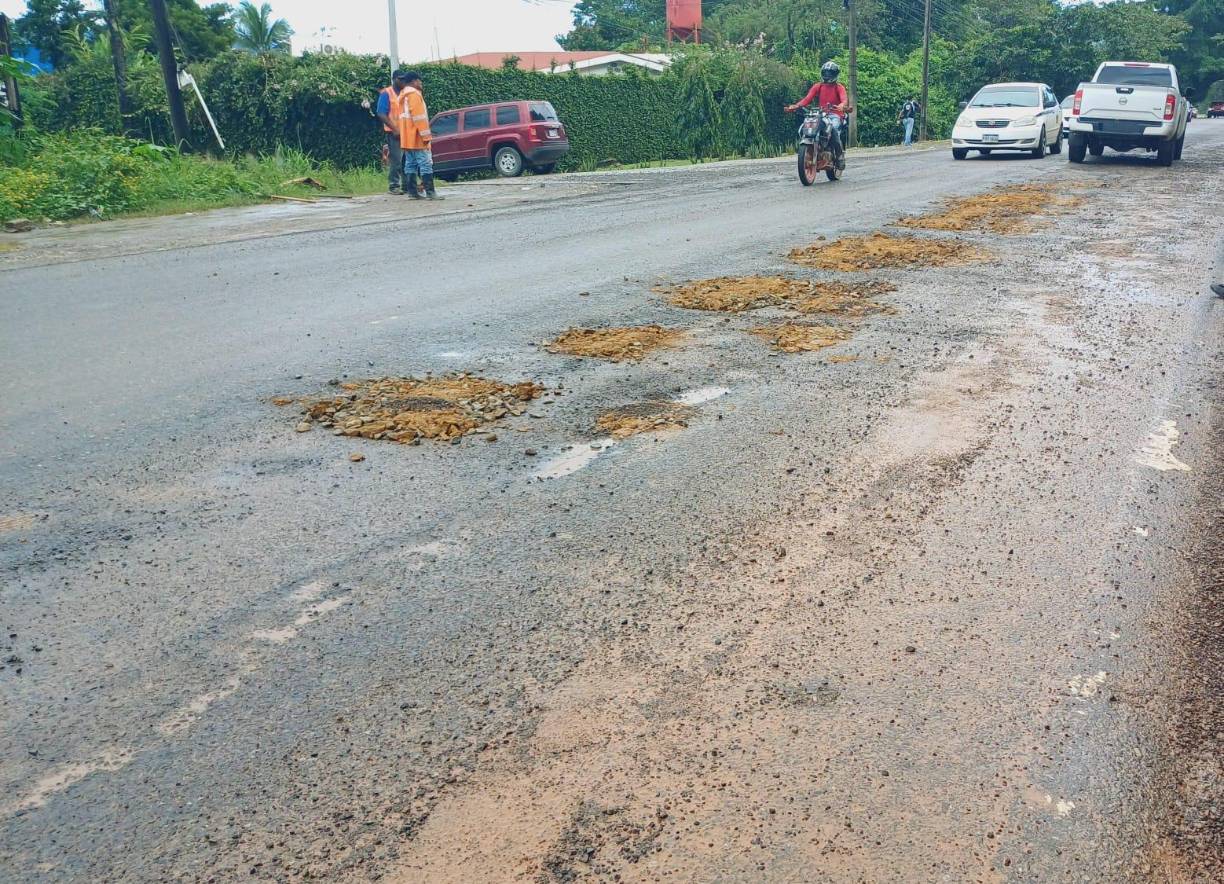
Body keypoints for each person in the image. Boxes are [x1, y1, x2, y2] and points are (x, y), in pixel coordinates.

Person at [785, 61, 848, 158]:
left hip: (835, 115)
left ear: (835, 75)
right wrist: (796, 106)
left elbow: (844, 99)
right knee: (805, 127)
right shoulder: (818, 86)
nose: (827, 75)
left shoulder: (839, 87)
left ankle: (839, 156)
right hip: (821, 114)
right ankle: (816, 148)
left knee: (834, 129)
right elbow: (807, 99)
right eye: (825, 73)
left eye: (830, 73)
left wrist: (841, 105)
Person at [398, 71, 443, 201]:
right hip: (416, 136)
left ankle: (412, 193)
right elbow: (419, 118)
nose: (421, 83)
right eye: (419, 81)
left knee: (410, 164)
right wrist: (426, 136)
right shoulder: (414, 95)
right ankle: (430, 192)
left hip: (406, 137)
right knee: (425, 163)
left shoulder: (402, 96)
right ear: (414, 81)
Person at [376, 71, 408, 194]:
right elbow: (381, 113)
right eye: (401, 79)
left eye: (404, 79)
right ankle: (394, 186)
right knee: (397, 160)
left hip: (406, 132)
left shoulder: (405, 93)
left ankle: (407, 186)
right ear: (394, 79)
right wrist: (395, 128)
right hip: (394, 133)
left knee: (407, 160)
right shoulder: (386, 93)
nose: (403, 81)